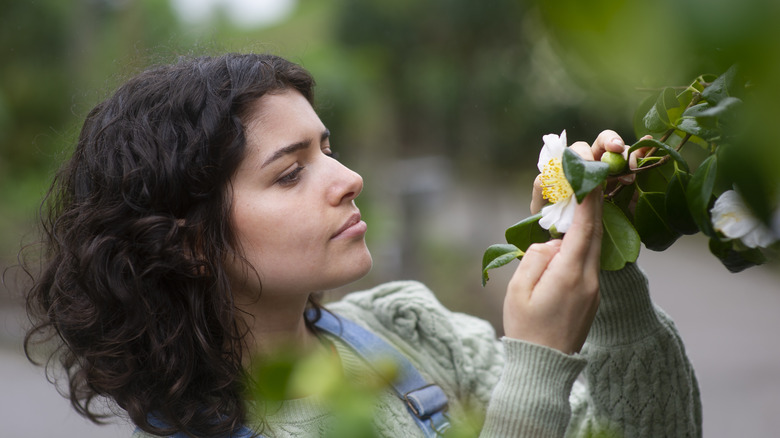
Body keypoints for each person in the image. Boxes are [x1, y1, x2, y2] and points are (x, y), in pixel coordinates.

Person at [23, 53, 701, 437]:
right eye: (290, 173)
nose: (350, 180)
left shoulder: (408, 328)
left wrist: (605, 271)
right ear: (192, 243)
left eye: (328, 149)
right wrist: (538, 360)